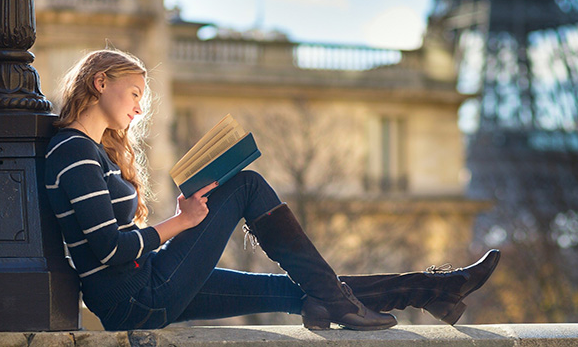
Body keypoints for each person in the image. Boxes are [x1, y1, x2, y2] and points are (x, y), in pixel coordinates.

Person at [44, 47, 500, 331]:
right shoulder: (74, 151)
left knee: (297, 291)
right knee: (244, 185)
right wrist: (180, 223)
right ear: (100, 82)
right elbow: (107, 248)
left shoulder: (89, 151)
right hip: (135, 296)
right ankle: (357, 302)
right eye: (134, 94)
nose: (139, 109)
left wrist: (182, 218)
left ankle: (430, 290)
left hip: (143, 288)